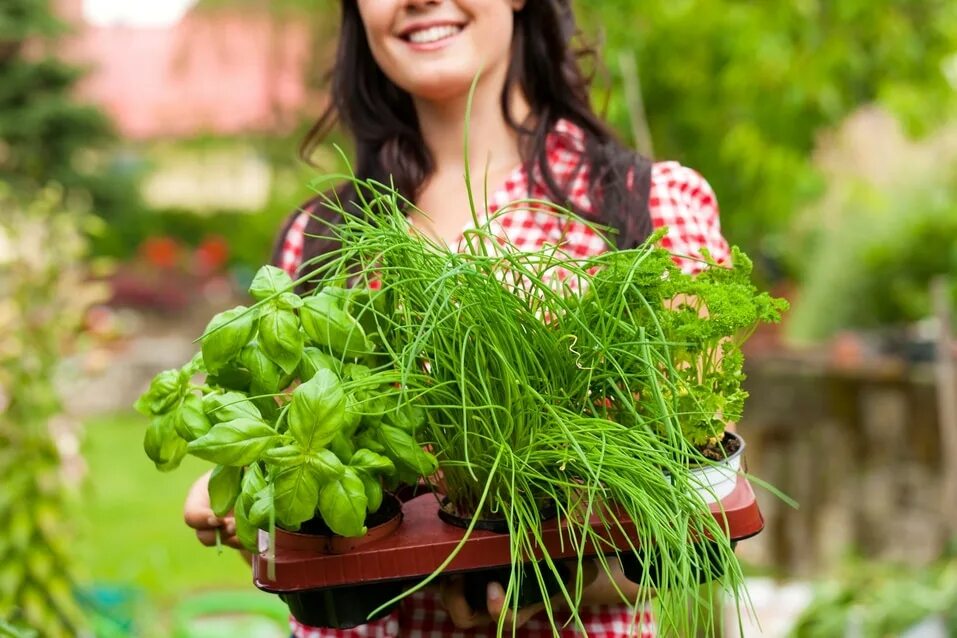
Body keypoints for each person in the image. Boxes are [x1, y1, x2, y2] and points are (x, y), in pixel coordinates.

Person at [184, 0, 730, 635]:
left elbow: (700, 509)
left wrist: (568, 581)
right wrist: (250, 510)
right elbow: (308, 506)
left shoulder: (643, 206)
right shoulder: (324, 235)